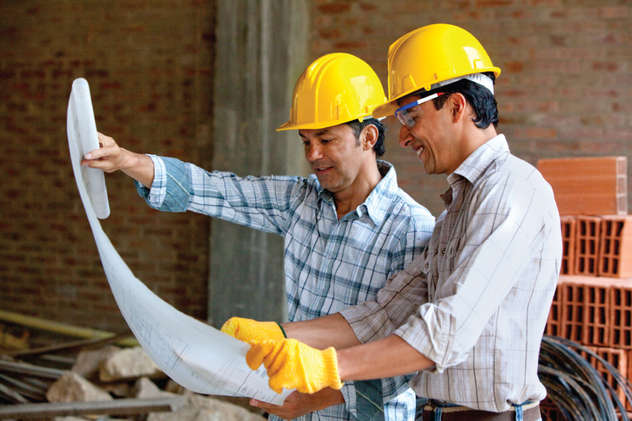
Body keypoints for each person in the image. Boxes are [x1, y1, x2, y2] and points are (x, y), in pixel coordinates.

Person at [225, 23, 561, 421]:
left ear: (456, 107)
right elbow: (383, 314)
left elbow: (446, 331)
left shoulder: (512, 189)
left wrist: (329, 368)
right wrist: (279, 335)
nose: (402, 138)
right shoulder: (458, 207)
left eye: (411, 117)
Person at [82, 52, 435, 421]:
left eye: (326, 140)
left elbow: (408, 358)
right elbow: (215, 190)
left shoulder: (411, 229)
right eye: (305, 141)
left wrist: (316, 395)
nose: (313, 155)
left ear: (368, 136)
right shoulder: (300, 201)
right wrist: (127, 161)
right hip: (292, 409)